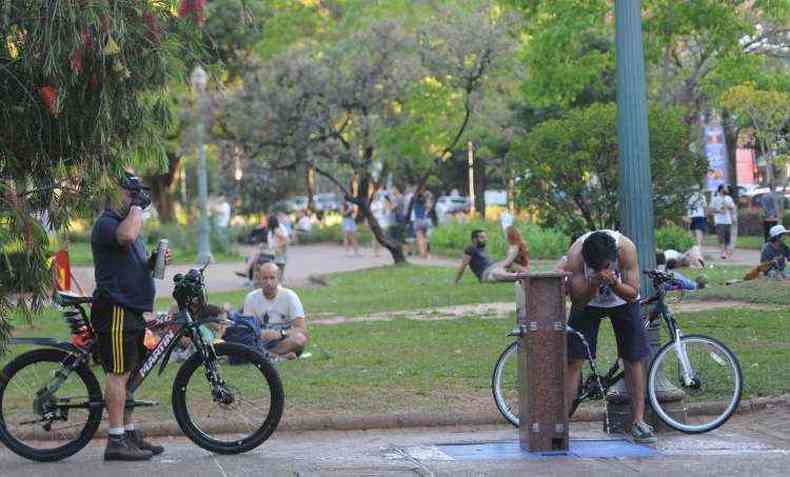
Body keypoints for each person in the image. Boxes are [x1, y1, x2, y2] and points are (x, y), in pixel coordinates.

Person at [90, 173, 171, 461]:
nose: (136, 198)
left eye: (138, 194)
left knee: (132, 375)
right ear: (116, 193)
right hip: (115, 310)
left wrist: (153, 262)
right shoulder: (107, 224)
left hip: (132, 309)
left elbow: (130, 260)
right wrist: (137, 208)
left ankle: (129, 432)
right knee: (118, 374)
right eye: (131, 193)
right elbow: (126, 236)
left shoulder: (125, 224)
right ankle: (115, 440)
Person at [563, 230, 656, 444]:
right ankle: (562, 422)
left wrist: (614, 283)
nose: (603, 270)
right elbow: (577, 301)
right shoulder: (576, 254)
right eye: (597, 267)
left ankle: (638, 421)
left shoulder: (626, 249)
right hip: (588, 304)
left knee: (633, 358)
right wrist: (594, 284)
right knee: (573, 359)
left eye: (606, 265)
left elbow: (633, 293)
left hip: (624, 303)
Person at [242, 262, 309, 359]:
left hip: (283, 341)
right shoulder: (251, 298)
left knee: (300, 339)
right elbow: (247, 329)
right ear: (258, 279)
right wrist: (261, 334)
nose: (268, 282)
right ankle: (278, 356)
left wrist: (280, 334)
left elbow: (302, 329)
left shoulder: (290, 296)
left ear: (279, 279)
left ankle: (266, 355)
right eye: (265, 278)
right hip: (260, 342)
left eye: (272, 278)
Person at [453, 229, 525, 285]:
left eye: (485, 237)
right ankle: (524, 277)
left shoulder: (483, 249)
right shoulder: (470, 248)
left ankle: (529, 275)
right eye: (482, 237)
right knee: (499, 273)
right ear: (475, 239)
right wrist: (456, 281)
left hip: (495, 267)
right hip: (486, 273)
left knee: (512, 265)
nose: (485, 239)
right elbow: (463, 266)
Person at [710, 185, 735, 259]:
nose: (727, 190)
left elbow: (732, 207)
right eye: (725, 188)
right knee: (721, 237)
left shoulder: (729, 198)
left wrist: (729, 206)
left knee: (728, 238)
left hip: (728, 221)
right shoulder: (715, 199)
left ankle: (726, 251)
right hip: (719, 221)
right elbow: (711, 210)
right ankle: (723, 253)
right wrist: (719, 211)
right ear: (721, 190)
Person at [267, 214, 290, 280]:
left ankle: (279, 282)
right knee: (279, 269)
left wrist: (277, 246)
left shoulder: (276, 230)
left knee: (278, 269)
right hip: (280, 252)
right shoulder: (276, 229)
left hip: (280, 252)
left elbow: (286, 239)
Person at [413, 186, 432, 259]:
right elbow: (429, 207)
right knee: (426, 238)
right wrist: (428, 197)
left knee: (420, 238)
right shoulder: (425, 201)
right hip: (425, 220)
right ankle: (427, 253)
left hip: (418, 220)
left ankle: (422, 254)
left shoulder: (415, 200)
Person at [685, 186, 707, 250]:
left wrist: (687, 216)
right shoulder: (702, 197)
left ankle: (690, 246)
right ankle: (699, 247)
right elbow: (704, 206)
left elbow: (687, 207)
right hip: (700, 215)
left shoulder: (688, 196)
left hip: (691, 215)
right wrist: (705, 216)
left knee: (690, 231)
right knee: (698, 231)